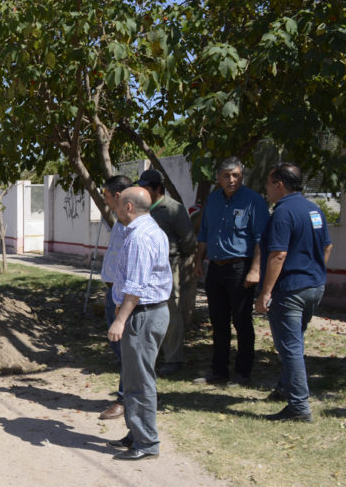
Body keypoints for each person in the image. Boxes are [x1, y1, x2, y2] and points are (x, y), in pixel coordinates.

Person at [254, 163, 333, 422]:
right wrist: (314, 271)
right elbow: (328, 246)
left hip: (290, 290)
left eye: (268, 184)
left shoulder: (283, 213)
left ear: (279, 185)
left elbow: (278, 254)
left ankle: (299, 407)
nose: (266, 189)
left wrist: (265, 292)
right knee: (295, 340)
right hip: (314, 286)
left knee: (290, 348)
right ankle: (285, 387)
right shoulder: (314, 209)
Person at [106, 187, 172, 460]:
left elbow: (134, 287)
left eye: (118, 204)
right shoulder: (147, 230)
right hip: (145, 312)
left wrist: (120, 320)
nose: (115, 208)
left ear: (129, 207)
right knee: (133, 376)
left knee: (140, 381)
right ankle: (136, 432)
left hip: (142, 314)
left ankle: (146, 443)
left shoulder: (139, 238)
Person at [194, 157, 270, 385]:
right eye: (226, 176)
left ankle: (242, 373)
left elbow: (261, 239)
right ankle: (218, 371)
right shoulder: (213, 200)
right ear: (218, 178)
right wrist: (198, 259)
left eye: (236, 175)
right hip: (215, 268)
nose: (231, 180)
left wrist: (255, 270)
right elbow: (204, 233)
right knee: (218, 321)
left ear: (241, 176)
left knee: (241, 320)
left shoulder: (253, 201)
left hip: (240, 267)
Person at [137, 169, 196, 375]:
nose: (142, 191)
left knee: (170, 310)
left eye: (146, 188)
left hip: (168, 266)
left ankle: (173, 359)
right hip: (143, 266)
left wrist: (176, 257)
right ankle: (149, 355)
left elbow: (189, 241)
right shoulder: (140, 207)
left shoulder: (172, 209)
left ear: (157, 189)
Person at [98, 174, 133, 420]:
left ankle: (126, 397)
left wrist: (122, 301)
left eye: (107, 196)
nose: (105, 201)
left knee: (127, 349)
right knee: (118, 347)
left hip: (123, 295)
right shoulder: (120, 222)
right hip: (113, 290)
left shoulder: (134, 225)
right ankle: (138, 389)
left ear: (118, 196)